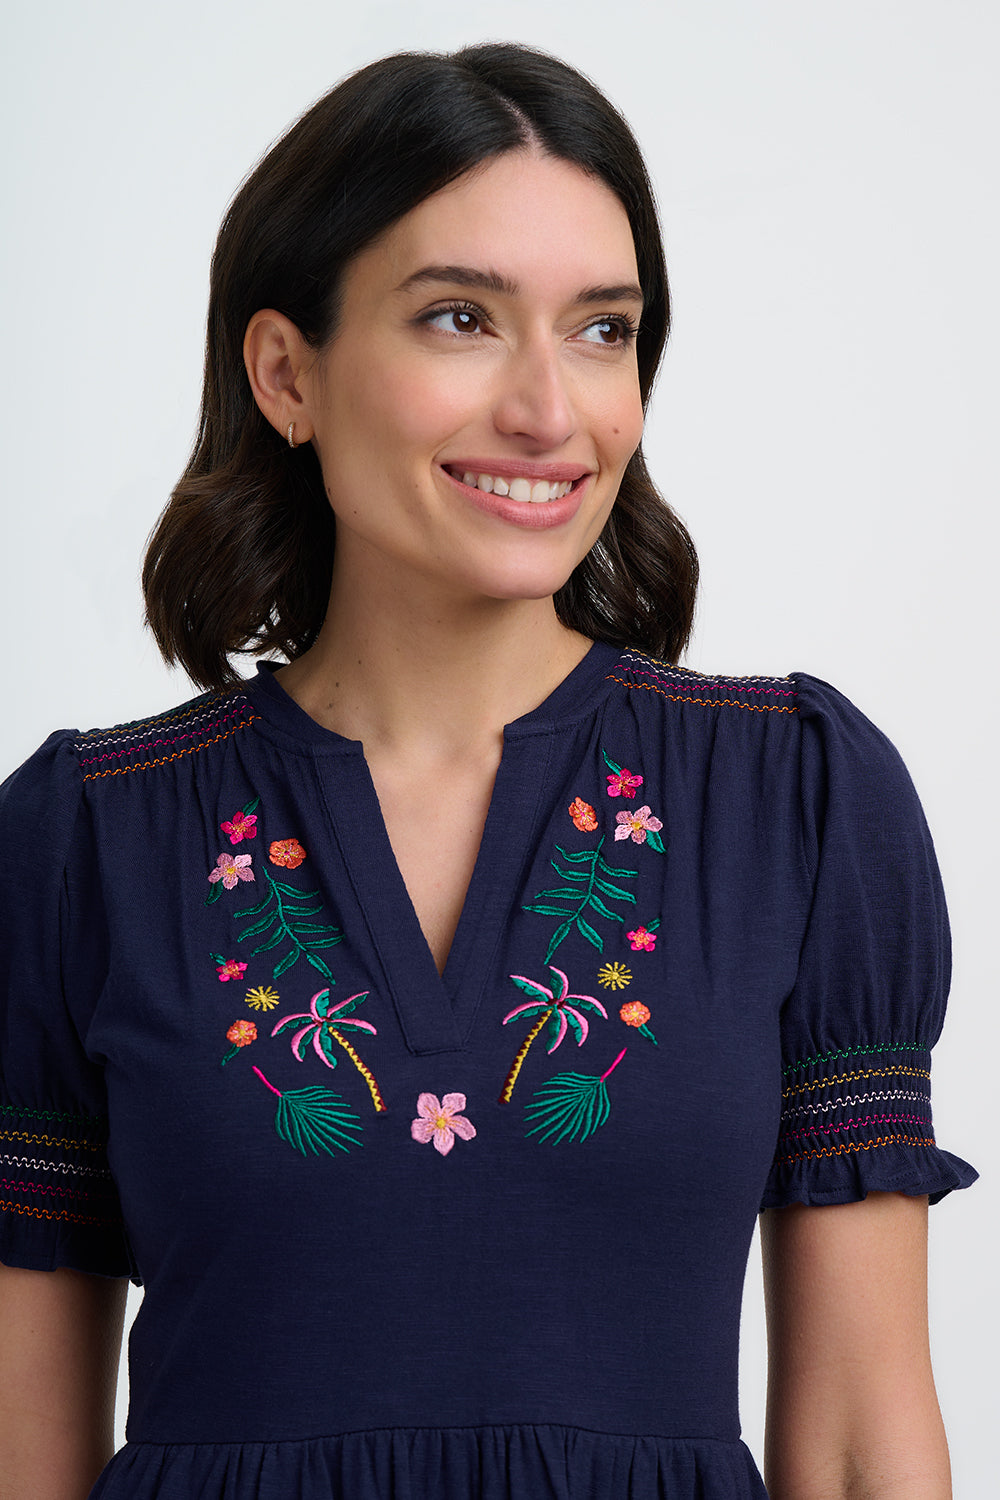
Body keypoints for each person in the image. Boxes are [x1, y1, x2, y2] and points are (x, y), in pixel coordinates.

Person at [0, 41, 976, 1500]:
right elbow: (26, 1456)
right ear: (288, 372)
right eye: (461, 318)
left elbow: (854, 1447)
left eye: (602, 330)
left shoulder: (801, 801)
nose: (549, 409)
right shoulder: (86, 839)